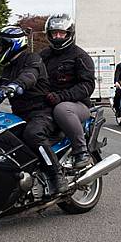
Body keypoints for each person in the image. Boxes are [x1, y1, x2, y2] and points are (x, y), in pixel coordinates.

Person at [0, 26, 67, 196]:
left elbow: (29, 76)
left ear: (13, 44)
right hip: (20, 116)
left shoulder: (32, 59)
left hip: (42, 113)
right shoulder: (8, 69)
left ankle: (56, 176)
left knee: (32, 134)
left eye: (0, 46)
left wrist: (16, 85)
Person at [39, 14, 96, 169]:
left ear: (69, 34)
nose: (57, 36)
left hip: (77, 105)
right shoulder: (43, 55)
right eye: (54, 33)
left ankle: (81, 152)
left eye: (61, 33)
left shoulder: (81, 56)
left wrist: (62, 96)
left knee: (62, 109)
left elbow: (87, 86)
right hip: (48, 101)